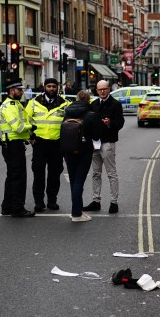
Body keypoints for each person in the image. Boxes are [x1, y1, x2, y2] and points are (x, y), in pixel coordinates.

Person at [25, 77, 70, 212]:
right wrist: (30, 137)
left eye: (54, 86)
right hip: (39, 143)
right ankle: (39, 202)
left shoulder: (65, 104)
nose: (51, 89)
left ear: (57, 88)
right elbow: (26, 120)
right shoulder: (33, 103)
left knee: (54, 175)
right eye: (49, 86)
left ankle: (52, 201)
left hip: (56, 144)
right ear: (44, 87)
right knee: (38, 174)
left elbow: (69, 124)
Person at [84, 80, 125, 214]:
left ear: (109, 90)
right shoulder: (93, 104)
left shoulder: (115, 104)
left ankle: (114, 202)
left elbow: (120, 123)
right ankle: (96, 201)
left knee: (111, 174)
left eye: (104, 89)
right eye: (100, 89)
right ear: (96, 90)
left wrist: (109, 123)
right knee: (96, 174)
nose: (102, 91)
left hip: (107, 143)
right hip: (95, 143)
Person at [0, 78, 35, 217]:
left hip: (13, 144)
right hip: (13, 146)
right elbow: (18, 127)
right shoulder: (9, 106)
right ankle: (17, 208)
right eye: (19, 90)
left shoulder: (16, 104)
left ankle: (7, 206)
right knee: (18, 178)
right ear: (11, 91)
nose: (22, 92)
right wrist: (32, 128)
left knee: (12, 177)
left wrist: (30, 136)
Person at [62, 90, 101, 222]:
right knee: (79, 181)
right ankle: (76, 214)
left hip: (68, 150)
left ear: (77, 98)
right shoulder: (91, 115)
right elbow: (96, 136)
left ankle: (77, 210)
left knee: (74, 181)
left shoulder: (67, 112)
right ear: (88, 100)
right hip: (84, 151)